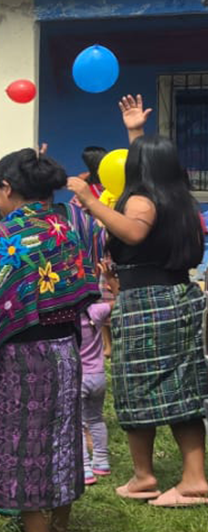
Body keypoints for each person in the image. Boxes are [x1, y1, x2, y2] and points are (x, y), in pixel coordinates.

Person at [0, 149, 99, 532]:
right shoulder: (68, 224)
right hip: (65, 349)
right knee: (61, 441)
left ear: (6, 188)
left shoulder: (11, 234)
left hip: (22, 357)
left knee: (25, 449)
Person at [68, 96, 208, 506]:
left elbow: (133, 231)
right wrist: (136, 133)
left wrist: (90, 201)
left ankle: (170, 478)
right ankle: (164, 477)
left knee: (138, 386)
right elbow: (146, 178)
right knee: (179, 388)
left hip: (148, 303)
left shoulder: (141, 200)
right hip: (175, 295)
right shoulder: (179, 200)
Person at [80, 288, 114, 486]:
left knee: (77, 424)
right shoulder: (97, 311)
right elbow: (116, 303)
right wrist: (112, 282)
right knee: (96, 419)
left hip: (79, 378)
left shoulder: (68, 317)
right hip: (98, 377)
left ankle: (84, 467)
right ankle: (101, 462)